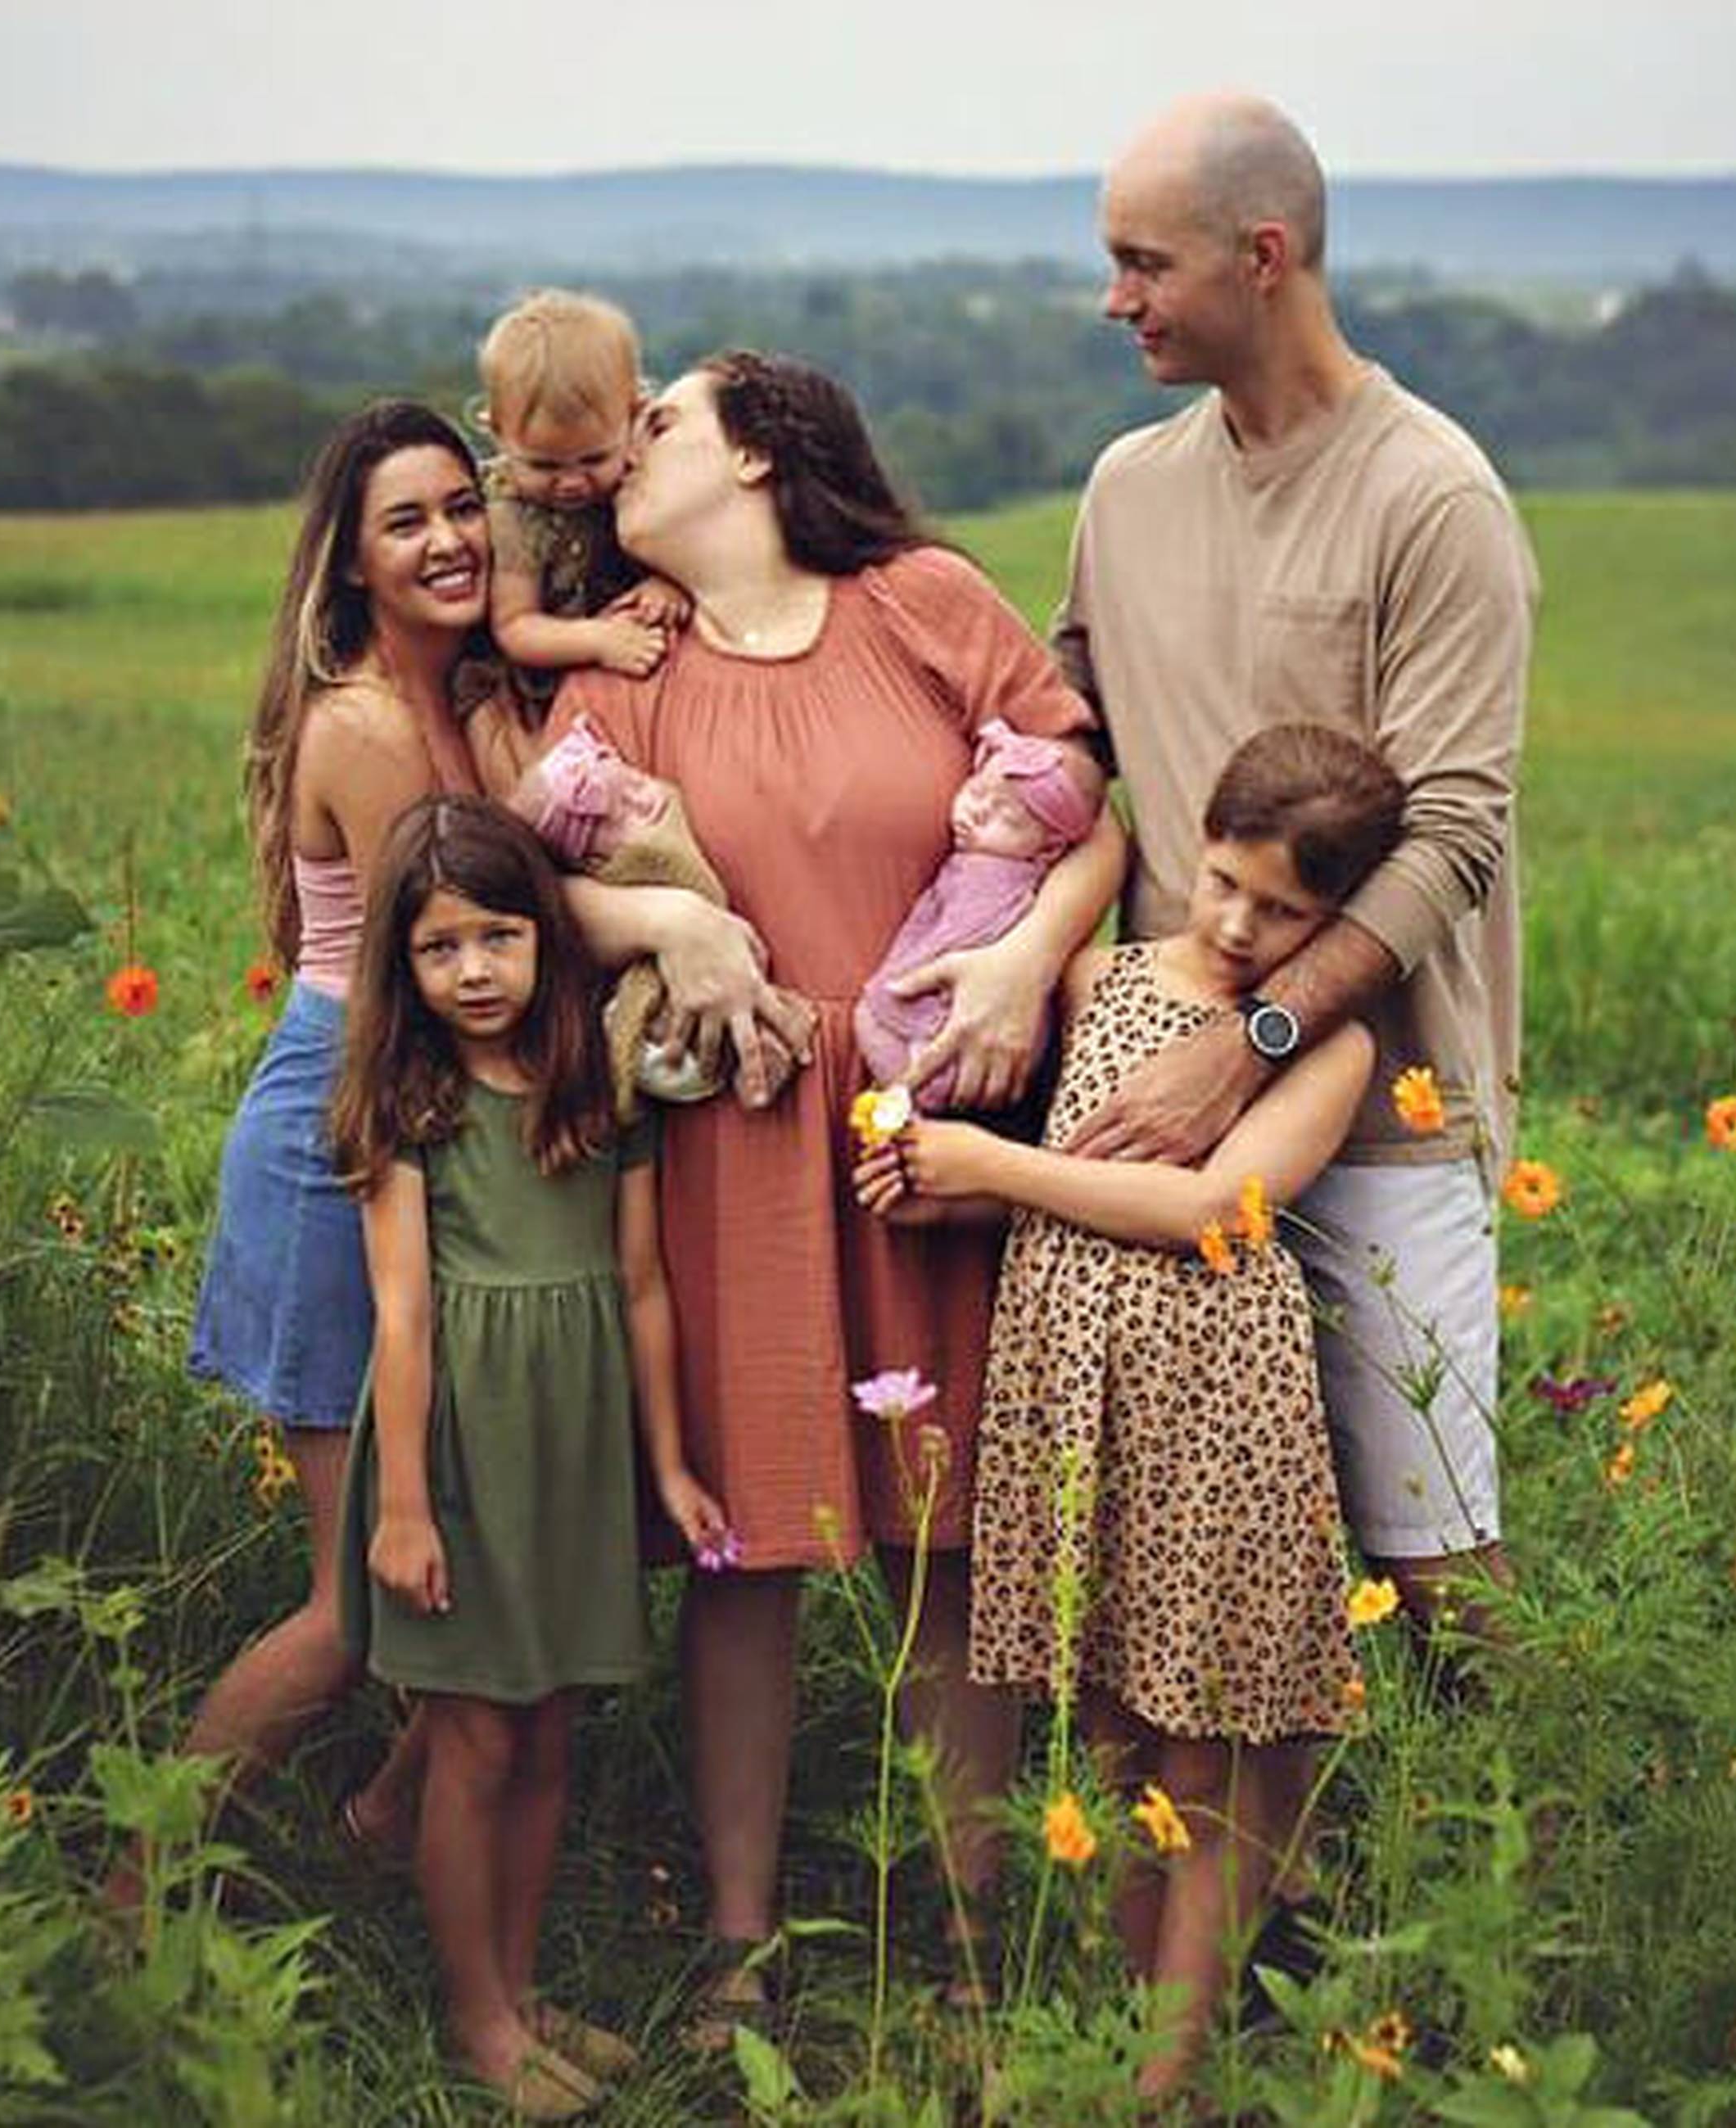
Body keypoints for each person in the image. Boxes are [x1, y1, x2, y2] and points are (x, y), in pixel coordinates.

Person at [546, 350, 1125, 2025]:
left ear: (758, 456)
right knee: (752, 1546)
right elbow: (529, 881)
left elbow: (1089, 804)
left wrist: (1021, 963)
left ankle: (967, 1946)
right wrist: (667, 922)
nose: (626, 445)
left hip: (933, 1127)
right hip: (738, 1134)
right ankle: (735, 1952)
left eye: (662, 418)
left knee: (941, 1540)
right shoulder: (632, 664)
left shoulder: (920, 603)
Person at [855, 722, 1397, 2098]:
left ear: (1339, 918)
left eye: (1286, 910)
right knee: (1104, 1721)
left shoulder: (1324, 1043)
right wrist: (947, 1178)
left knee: (1200, 1736)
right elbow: (1063, 1168)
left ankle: (1168, 2072)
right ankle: (1115, 2013)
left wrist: (997, 1165)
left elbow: (1222, 1208)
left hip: (1215, 1405)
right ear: (1194, 846)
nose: (1237, 921)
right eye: (1221, 879)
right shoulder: (1100, 974)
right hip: (1071, 1385)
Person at [1055, 93, 1538, 1624]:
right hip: (1155, 1103)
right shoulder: (1126, 486)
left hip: (1381, 1102)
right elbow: (1067, 737)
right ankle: (1279, 1869)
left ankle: (1520, 1843)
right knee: (1208, 1554)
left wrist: (1251, 1040)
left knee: (1432, 1555)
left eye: (1145, 263)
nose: (1114, 298)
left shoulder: (1432, 496)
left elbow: (1453, 832)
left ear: (1263, 256)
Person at [328, 795, 730, 2118]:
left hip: (573, 1441)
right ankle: (475, 2013)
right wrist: (402, 1507)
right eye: (443, 947)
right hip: (461, 1450)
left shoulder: (593, 1082)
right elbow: (404, 1310)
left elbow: (647, 1283)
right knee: (480, 1737)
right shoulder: (410, 1099)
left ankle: (519, 1979)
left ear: (546, 938)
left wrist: (665, 1465)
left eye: (501, 935)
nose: (478, 970)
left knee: (552, 1726)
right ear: (406, 962)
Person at [176, 400, 504, 1872]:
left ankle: (376, 1829)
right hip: (349, 1129)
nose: (447, 540)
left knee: (485, 1567)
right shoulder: (370, 726)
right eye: (406, 522)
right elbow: (448, 967)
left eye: (461, 504)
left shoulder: (469, 691)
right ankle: (140, 1884)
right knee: (356, 1602)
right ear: (353, 563)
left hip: (424, 1110)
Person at [852, 720, 1109, 1099]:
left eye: (1006, 818)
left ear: (1051, 847)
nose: (976, 814)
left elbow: (951, 942)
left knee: (869, 1021)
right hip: (996, 1039)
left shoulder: (988, 879)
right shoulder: (1004, 867)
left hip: (950, 1039)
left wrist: (891, 992)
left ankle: (908, 1097)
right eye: (976, 792)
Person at [507, 721, 753, 1114]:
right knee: (650, 1019)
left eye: (637, 782)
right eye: (623, 812)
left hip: (732, 972)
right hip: (674, 989)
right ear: (591, 859)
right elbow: (532, 899)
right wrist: (667, 918)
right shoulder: (630, 868)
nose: (644, 800)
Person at [475, 289, 691, 714]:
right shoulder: (514, 519)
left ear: (635, 415)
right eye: (544, 466)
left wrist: (669, 583)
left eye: (594, 459)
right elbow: (516, 626)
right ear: (497, 433)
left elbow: (693, 548)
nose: (572, 483)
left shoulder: (647, 481)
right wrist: (598, 640)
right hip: (546, 697)